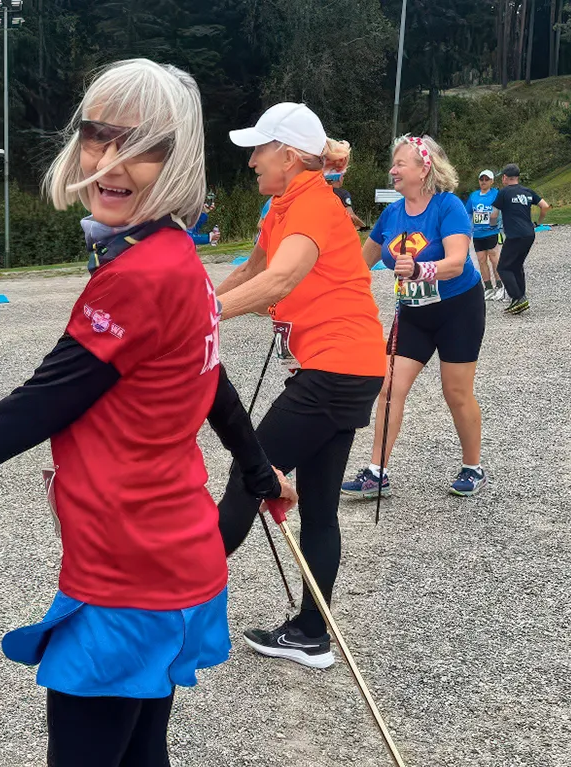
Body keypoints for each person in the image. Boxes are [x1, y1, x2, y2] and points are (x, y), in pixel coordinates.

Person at [0, 59, 297, 766]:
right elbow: (211, 375)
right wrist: (258, 471)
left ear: (178, 160)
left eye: (140, 147)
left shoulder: (138, 274)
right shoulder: (174, 257)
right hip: (172, 558)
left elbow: (43, 401)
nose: (110, 163)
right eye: (98, 138)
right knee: (141, 753)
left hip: (128, 572)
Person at [217, 102, 386, 669]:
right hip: (345, 368)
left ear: (288, 156)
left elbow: (283, 278)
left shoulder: (314, 203)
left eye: (258, 151)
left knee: (250, 474)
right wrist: (194, 302)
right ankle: (312, 633)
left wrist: (201, 323)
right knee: (317, 508)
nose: (251, 162)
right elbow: (252, 272)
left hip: (335, 368)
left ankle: (174, 603)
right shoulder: (280, 206)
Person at [341, 135, 487, 499]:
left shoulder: (448, 206)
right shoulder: (391, 214)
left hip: (459, 310)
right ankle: (377, 472)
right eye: (393, 164)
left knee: (455, 392)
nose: (393, 170)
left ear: (424, 170)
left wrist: (420, 269)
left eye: (400, 164)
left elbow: (456, 262)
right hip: (413, 315)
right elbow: (361, 263)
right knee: (389, 387)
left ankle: (473, 466)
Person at [493, 163, 551, 315]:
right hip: (529, 234)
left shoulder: (504, 193)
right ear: (517, 177)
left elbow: (493, 214)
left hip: (515, 235)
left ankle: (518, 297)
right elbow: (544, 206)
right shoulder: (527, 191)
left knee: (503, 267)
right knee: (516, 265)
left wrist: (492, 225)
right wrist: (539, 223)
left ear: (505, 177)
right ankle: (520, 298)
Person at [466, 170, 504, 300]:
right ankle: (488, 287)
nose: (483, 181)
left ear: (492, 181)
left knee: (494, 259)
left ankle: (500, 286)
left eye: (486, 179)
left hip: (491, 232)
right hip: (478, 234)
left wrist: (494, 223)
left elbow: (498, 210)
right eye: (481, 179)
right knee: (481, 260)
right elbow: (469, 213)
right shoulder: (474, 196)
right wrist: (468, 229)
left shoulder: (496, 194)